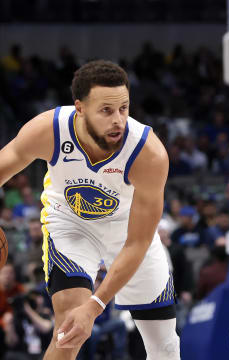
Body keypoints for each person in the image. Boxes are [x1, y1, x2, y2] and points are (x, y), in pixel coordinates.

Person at [0, 60, 180, 360]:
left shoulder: (148, 154)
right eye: (106, 110)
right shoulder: (49, 130)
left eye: (124, 108)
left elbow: (137, 242)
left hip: (127, 232)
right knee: (69, 327)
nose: (118, 120)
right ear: (80, 108)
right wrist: (84, 311)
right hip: (70, 222)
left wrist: (96, 306)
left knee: (165, 346)